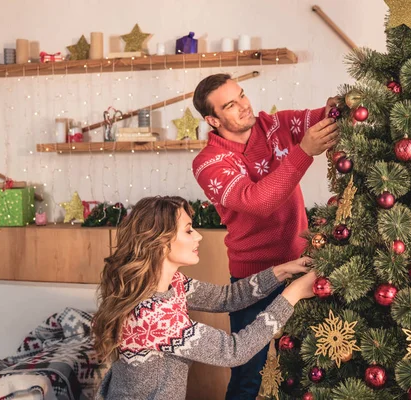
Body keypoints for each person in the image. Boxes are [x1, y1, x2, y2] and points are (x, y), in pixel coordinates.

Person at [192, 73, 339, 399]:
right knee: (248, 377)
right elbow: (258, 202)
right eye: (231, 105)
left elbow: (324, 118)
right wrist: (304, 152)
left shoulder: (275, 125)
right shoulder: (208, 163)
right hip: (253, 282)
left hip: (302, 266)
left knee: (301, 372)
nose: (245, 106)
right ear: (213, 120)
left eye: (242, 95)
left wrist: (336, 108)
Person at [92, 196, 317, 399]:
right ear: (160, 243)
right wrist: (292, 294)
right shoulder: (154, 315)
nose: (198, 236)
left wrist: (283, 271)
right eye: (189, 230)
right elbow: (233, 351)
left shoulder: (172, 283)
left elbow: (225, 297)